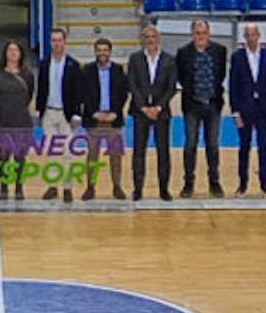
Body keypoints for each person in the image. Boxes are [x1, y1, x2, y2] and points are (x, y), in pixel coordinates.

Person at [172, 20, 227, 197]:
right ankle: (188, 182)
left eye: (203, 33)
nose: (200, 36)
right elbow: (181, 78)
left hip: (213, 104)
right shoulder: (183, 52)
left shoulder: (220, 51)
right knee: (190, 145)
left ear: (209, 34)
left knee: (213, 145)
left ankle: (214, 181)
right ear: (192, 34)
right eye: (197, 33)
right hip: (192, 106)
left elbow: (220, 75)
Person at [228, 23, 266, 196]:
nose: (251, 38)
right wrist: (235, 111)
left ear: (259, 35)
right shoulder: (237, 57)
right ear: (244, 37)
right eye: (248, 35)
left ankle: (265, 184)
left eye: (253, 35)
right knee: (244, 148)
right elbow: (233, 85)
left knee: (263, 147)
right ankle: (242, 184)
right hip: (245, 109)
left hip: (264, 109)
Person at [127, 25, 177, 201]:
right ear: (143, 39)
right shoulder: (135, 59)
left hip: (161, 113)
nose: (150, 40)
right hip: (140, 112)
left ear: (158, 38)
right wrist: (143, 107)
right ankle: (137, 189)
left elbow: (171, 87)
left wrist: (158, 107)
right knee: (139, 152)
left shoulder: (169, 60)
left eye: (153, 36)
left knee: (163, 151)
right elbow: (132, 84)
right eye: (147, 37)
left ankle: (164, 189)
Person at [34, 28, 82, 202]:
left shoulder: (73, 65)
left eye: (59, 40)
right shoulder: (44, 64)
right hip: (49, 112)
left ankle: (68, 188)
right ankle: (52, 186)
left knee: (68, 152)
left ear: (65, 42)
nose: (56, 43)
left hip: (66, 114)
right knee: (51, 152)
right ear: (50, 43)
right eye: (53, 40)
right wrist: (38, 111)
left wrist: (77, 113)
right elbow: (41, 89)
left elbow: (78, 92)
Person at [80, 38, 129, 200]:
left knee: (116, 155)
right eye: (99, 50)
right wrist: (94, 112)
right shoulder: (87, 70)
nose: (102, 53)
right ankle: (90, 187)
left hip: (114, 120)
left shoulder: (118, 69)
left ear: (110, 52)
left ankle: (117, 186)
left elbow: (123, 93)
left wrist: (115, 112)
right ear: (95, 52)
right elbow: (84, 94)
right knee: (92, 156)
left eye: (105, 50)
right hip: (94, 119)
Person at [0, 41, 36, 201]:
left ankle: (19, 188)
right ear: (5, 53)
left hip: (22, 121)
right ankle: (4, 188)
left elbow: (29, 96)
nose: (13, 53)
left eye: (16, 50)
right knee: (4, 157)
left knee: (20, 158)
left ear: (21, 53)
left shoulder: (28, 75)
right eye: (10, 50)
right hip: (3, 121)